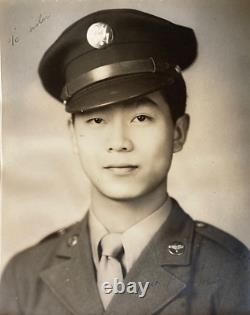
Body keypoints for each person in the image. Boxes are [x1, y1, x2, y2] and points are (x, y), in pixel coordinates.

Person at [0, 8, 249, 315]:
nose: (119, 143)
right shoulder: (24, 277)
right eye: (95, 120)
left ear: (178, 132)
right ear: (74, 136)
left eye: (141, 117)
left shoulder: (232, 273)